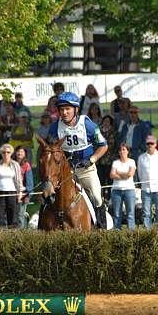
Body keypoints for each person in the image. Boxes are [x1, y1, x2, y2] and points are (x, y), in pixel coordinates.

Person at [48, 92, 108, 228]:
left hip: (86, 169)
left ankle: (102, 228)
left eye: (68, 109)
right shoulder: (54, 128)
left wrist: (92, 159)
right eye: (62, 109)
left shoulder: (88, 125)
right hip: (65, 172)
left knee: (97, 196)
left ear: (75, 110)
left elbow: (103, 146)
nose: (64, 112)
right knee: (49, 195)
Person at [137, 135, 158, 228]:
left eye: (152, 143)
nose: (150, 145)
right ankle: (148, 231)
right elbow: (140, 172)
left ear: (155, 144)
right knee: (146, 212)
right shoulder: (141, 158)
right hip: (146, 188)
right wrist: (144, 182)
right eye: (148, 143)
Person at [0, 143, 23, 228]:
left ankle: (13, 235)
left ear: (11, 153)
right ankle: (0, 236)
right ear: (1, 153)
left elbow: (19, 180)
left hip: (12, 193)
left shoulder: (15, 165)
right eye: (4, 152)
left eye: (8, 152)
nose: (6, 154)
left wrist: (20, 193)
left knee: (13, 217)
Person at [110, 143, 136, 230]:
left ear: (127, 151)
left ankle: (131, 232)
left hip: (129, 190)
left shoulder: (131, 162)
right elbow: (112, 175)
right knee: (117, 214)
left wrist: (118, 173)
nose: (122, 151)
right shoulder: (115, 162)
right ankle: (117, 231)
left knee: (130, 213)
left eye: (124, 149)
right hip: (116, 191)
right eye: (121, 150)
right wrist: (125, 175)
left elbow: (130, 174)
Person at [13, 145, 34, 228]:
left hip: (23, 194)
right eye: (18, 151)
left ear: (25, 154)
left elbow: (29, 182)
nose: (19, 153)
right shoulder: (11, 163)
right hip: (11, 193)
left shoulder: (26, 165)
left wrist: (27, 194)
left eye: (22, 151)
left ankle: (21, 234)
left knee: (20, 216)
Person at [97, 115, 117, 200]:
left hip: (109, 160)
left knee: (109, 181)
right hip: (99, 160)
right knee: (100, 180)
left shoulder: (113, 132)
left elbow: (111, 144)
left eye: (108, 121)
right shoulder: (97, 132)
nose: (106, 123)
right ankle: (101, 198)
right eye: (105, 121)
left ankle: (108, 198)